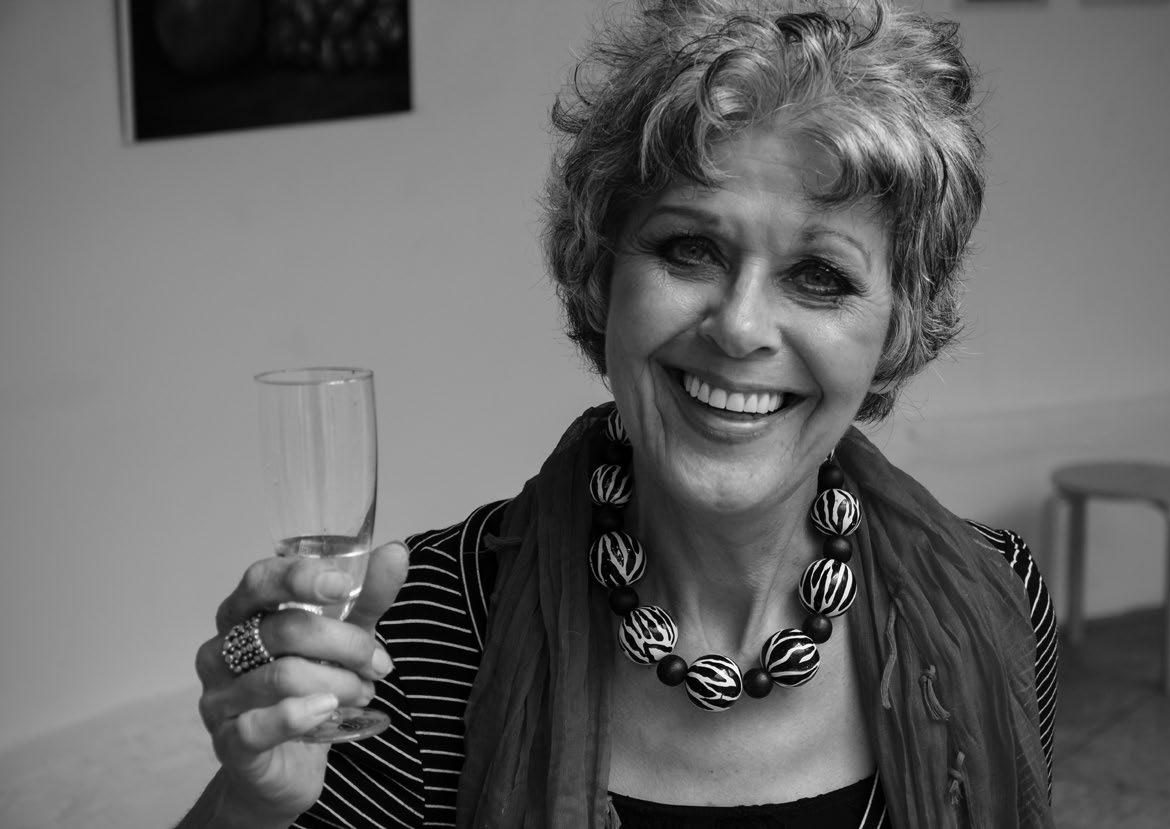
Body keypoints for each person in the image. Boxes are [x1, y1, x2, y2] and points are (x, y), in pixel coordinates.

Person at [181, 1, 1058, 827]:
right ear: (602, 275)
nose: (740, 327)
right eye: (691, 248)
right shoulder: (418, 642)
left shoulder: (994, 597)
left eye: (818, 275)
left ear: (896, 329)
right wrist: (248, 807)